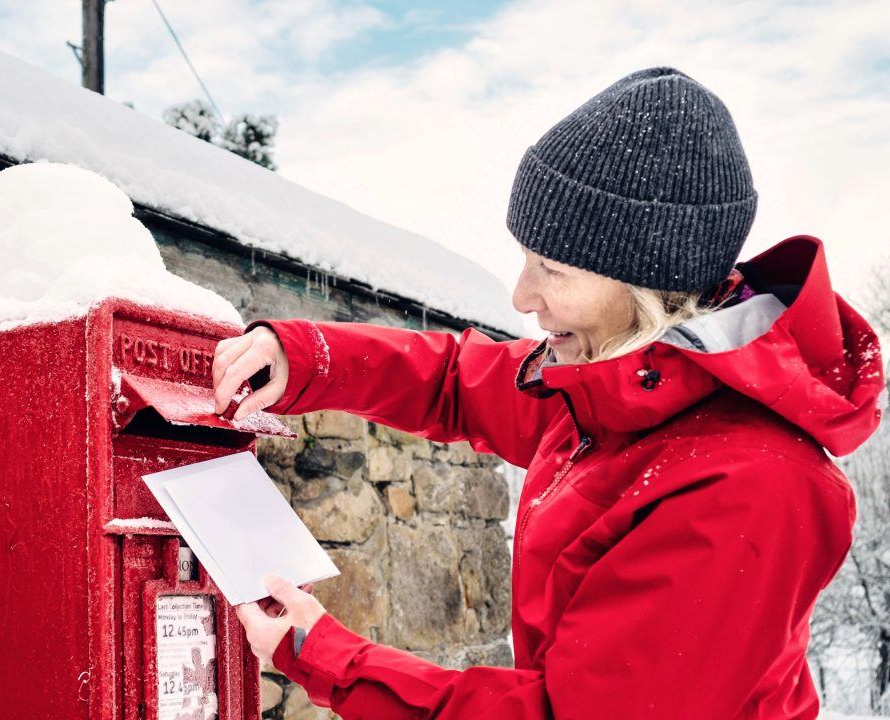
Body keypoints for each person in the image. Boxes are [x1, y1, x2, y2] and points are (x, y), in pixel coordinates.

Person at [213, 66, 885, 719]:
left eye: (551, 269)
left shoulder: (748, 490)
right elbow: (455, 382)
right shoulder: (618, 386)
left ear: (643, 283)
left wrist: (328, 657)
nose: (521, 297)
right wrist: (303, 357)